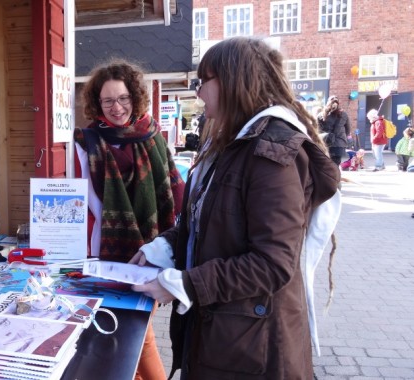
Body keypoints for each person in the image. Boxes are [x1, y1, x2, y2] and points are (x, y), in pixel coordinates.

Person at [129, 37, 341, 379]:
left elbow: (272, 263)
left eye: (203, 82)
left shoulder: (272, 154)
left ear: (231, 80)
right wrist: (166, 245)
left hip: (256, 348)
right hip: (228, 335)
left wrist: (184, 284)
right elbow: (210, 220)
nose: (198, 93)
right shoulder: (231, 142)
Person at [73, 59, 185, 380]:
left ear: (134, 97)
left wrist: (187, 234)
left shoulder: (152, 136)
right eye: (108, 100)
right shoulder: (86, 141)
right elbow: (76, 198)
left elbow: (176, 192)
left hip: (148, 251)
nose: (116, 107)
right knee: (122, 333)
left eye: (122, 98)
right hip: (100, 252)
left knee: (137, 334)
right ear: (97, 103)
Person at [318, 95, 351, 165]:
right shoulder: (344, 114)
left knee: (325, 165)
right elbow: (348, 130)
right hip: (339, 144)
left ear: (327, 103)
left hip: (325, 143)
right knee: (335, 166)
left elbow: (317, 130)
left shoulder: (321, 115)